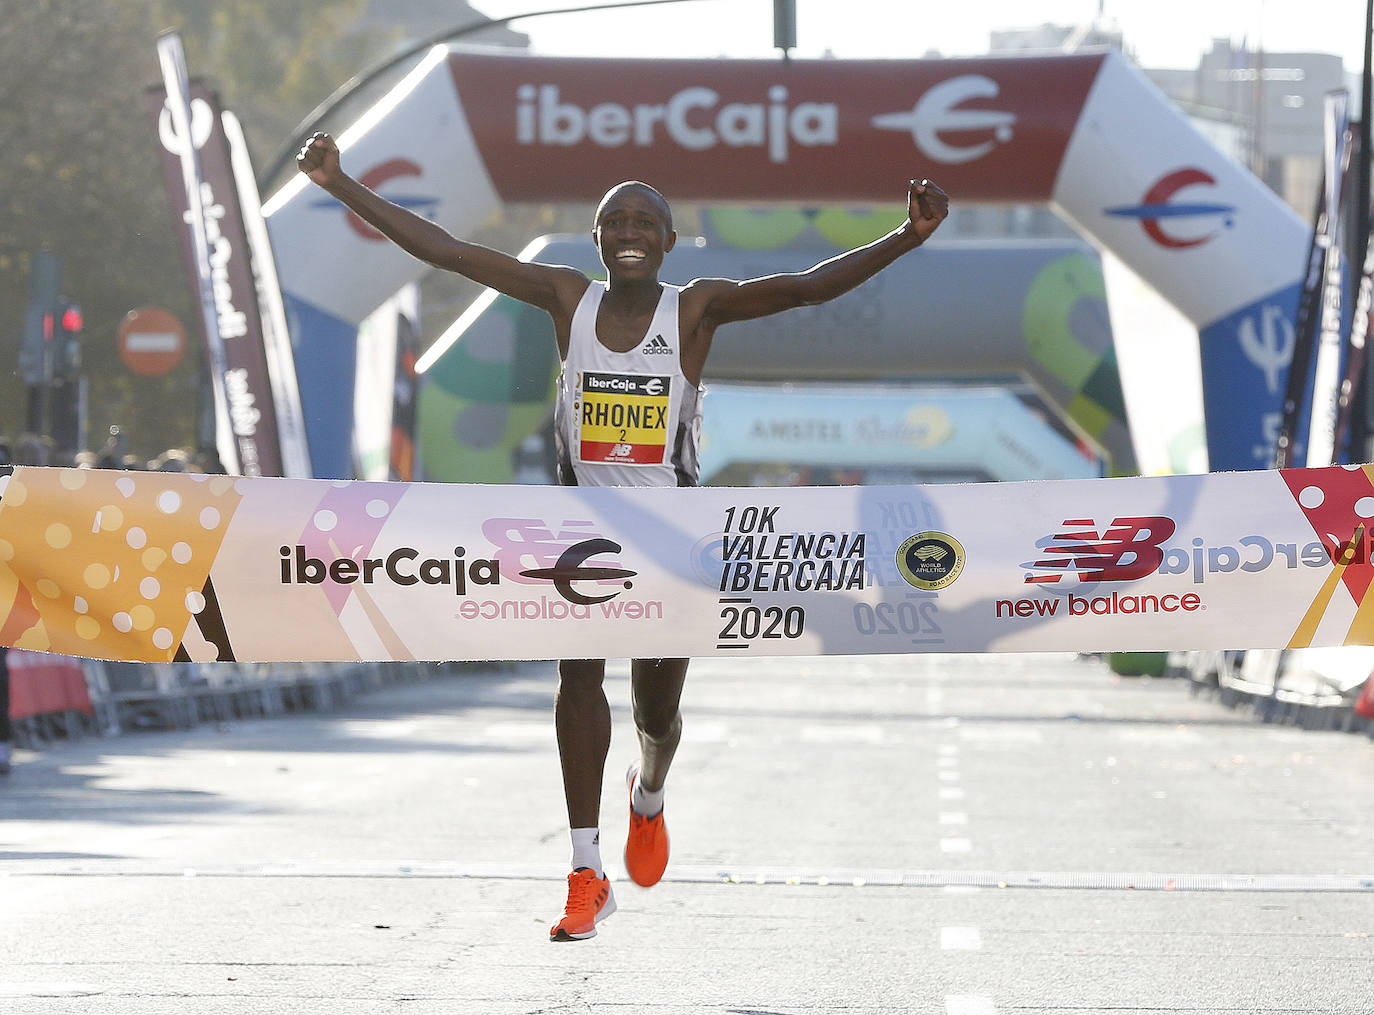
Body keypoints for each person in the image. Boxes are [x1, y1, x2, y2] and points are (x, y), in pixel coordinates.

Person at [297, 131, 949, 940]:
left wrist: (907, 235)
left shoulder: (696, 308)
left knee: (657, 710)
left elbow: (806, 289)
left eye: (647, 220)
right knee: (577, 683)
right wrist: (341, 183)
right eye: (616, 220)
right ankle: (584, 868)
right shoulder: (566, 296)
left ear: (669, 242)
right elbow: (449, 250)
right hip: (581, 527)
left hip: (670, 534)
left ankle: (649, 790)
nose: (632, 230)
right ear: (598, 239)